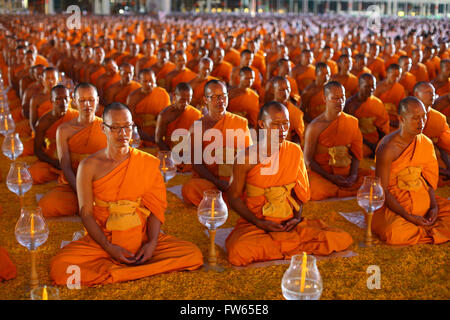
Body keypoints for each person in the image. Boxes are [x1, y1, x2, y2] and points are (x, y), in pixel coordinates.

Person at [49, 103, 203, 286]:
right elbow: (86, 213)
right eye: (115, 128)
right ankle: (128, 270)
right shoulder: (88, 166)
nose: (123, 134)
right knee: (61, 268)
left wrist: (152, 243)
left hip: (141, 236)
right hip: (104, 240)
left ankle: (115, 272)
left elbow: (155, 210)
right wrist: (108, 247)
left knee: (193, 254)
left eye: (127, 127)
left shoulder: (148, 162)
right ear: (103, 128)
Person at [225, 101, 353, 266]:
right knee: (239, 251)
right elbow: (233, 197)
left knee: (341, 238)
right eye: (276, 124)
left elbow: (298, 193)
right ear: (262, 124)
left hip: (288, 223)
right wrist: (259, 222)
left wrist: (297, 218)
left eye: (285, 124)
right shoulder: (246, 157)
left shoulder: (294, 151)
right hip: (257, 223)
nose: (282, 130)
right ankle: (291, 247)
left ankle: (283, 246)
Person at [373, 97, 450, 245]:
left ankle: (421, 227)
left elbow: (427, 180)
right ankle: (425, 229)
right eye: (415, 118)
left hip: (422, 200)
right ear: (401, 119)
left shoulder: (425, 143)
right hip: (395, 206)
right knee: (393, 233)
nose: (421, 122)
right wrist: (407, 216)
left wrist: (433, 207)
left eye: (423, 116)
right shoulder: (387, 148)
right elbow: (381, 190)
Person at [38, 83, 107, 217]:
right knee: (46, 206)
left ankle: (94, 208)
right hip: (73, 184)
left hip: (101, 184)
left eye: (91, 100)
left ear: (97, 100)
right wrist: (82, 192)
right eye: (82, 100)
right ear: (74, 101)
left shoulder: (107, 128)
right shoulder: (64, 130)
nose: (87, 104)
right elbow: (66, 166)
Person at [181, 80, 253, 206]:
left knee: (258, 188)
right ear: (205, 99)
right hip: (212, 182)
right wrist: (218, 183)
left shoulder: (240, 123)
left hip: (236, 182)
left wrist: (237, 182)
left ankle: (220, 201)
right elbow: (197, 164)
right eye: (214, 97)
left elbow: (249, 158)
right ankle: (228, 201)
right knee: (189, 189)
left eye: (223, 96)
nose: (220, 101)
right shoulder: (198, 127)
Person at [304, 81, 371, 201]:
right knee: (317, 189)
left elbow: (356, 154)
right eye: (335, 98)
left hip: (346, 172)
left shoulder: (352, 122)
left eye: (342, 97)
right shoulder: (315, 127)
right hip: (323, 174)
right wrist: (330, 177)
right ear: (325, 98)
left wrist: (353, 175)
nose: (340, 101)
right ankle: (336, 187)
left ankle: (344, 186)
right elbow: (308, 161)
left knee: (373, 180)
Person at [28, 85, 79, 183]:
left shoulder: (77, 116)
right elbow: (38, 150)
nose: (63, 102)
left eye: (66, 98)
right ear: (51, 100)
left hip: (74, 156)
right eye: (58, 99)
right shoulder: (43, 122)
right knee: (34, 174)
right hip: (55, 157)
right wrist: (54, 162)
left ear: (70, 99)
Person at [344, 73, 390, 158]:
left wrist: (380, 143)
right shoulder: (350, 105)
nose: (371, 89)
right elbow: (352, 133)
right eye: (367, 86)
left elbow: (383, 126)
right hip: (360, 142)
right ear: (358, 87)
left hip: (375, 139)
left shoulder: (377, 102)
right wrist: (371, 146)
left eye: (373, 86)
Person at [413, 82, 450, 185]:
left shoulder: (439, 118)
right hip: (411, 157)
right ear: (416, 94)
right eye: (428, 92)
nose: (432, 95)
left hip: (431, 157)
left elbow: (443, 144)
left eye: (433, 93)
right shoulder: (409, 113)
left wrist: (447, 167)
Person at [126, 68, 170, 146]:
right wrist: (147, 136)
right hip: (140, 133)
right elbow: (131, 122)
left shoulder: (162, 94)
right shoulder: (133, 97)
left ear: (155, 79)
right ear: (139, 81)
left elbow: (166, 119)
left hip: (159, 131)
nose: (149, 84)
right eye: (145, 81)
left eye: (151, 81)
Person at [374, 64, 406, 132]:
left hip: (395, 120)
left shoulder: (400, 88)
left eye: (398, 76)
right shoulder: (378, 88)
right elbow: (374, 107)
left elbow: (402, 107)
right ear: (387, 73)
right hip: (381, 120)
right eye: (394, 76)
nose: (396, 78)